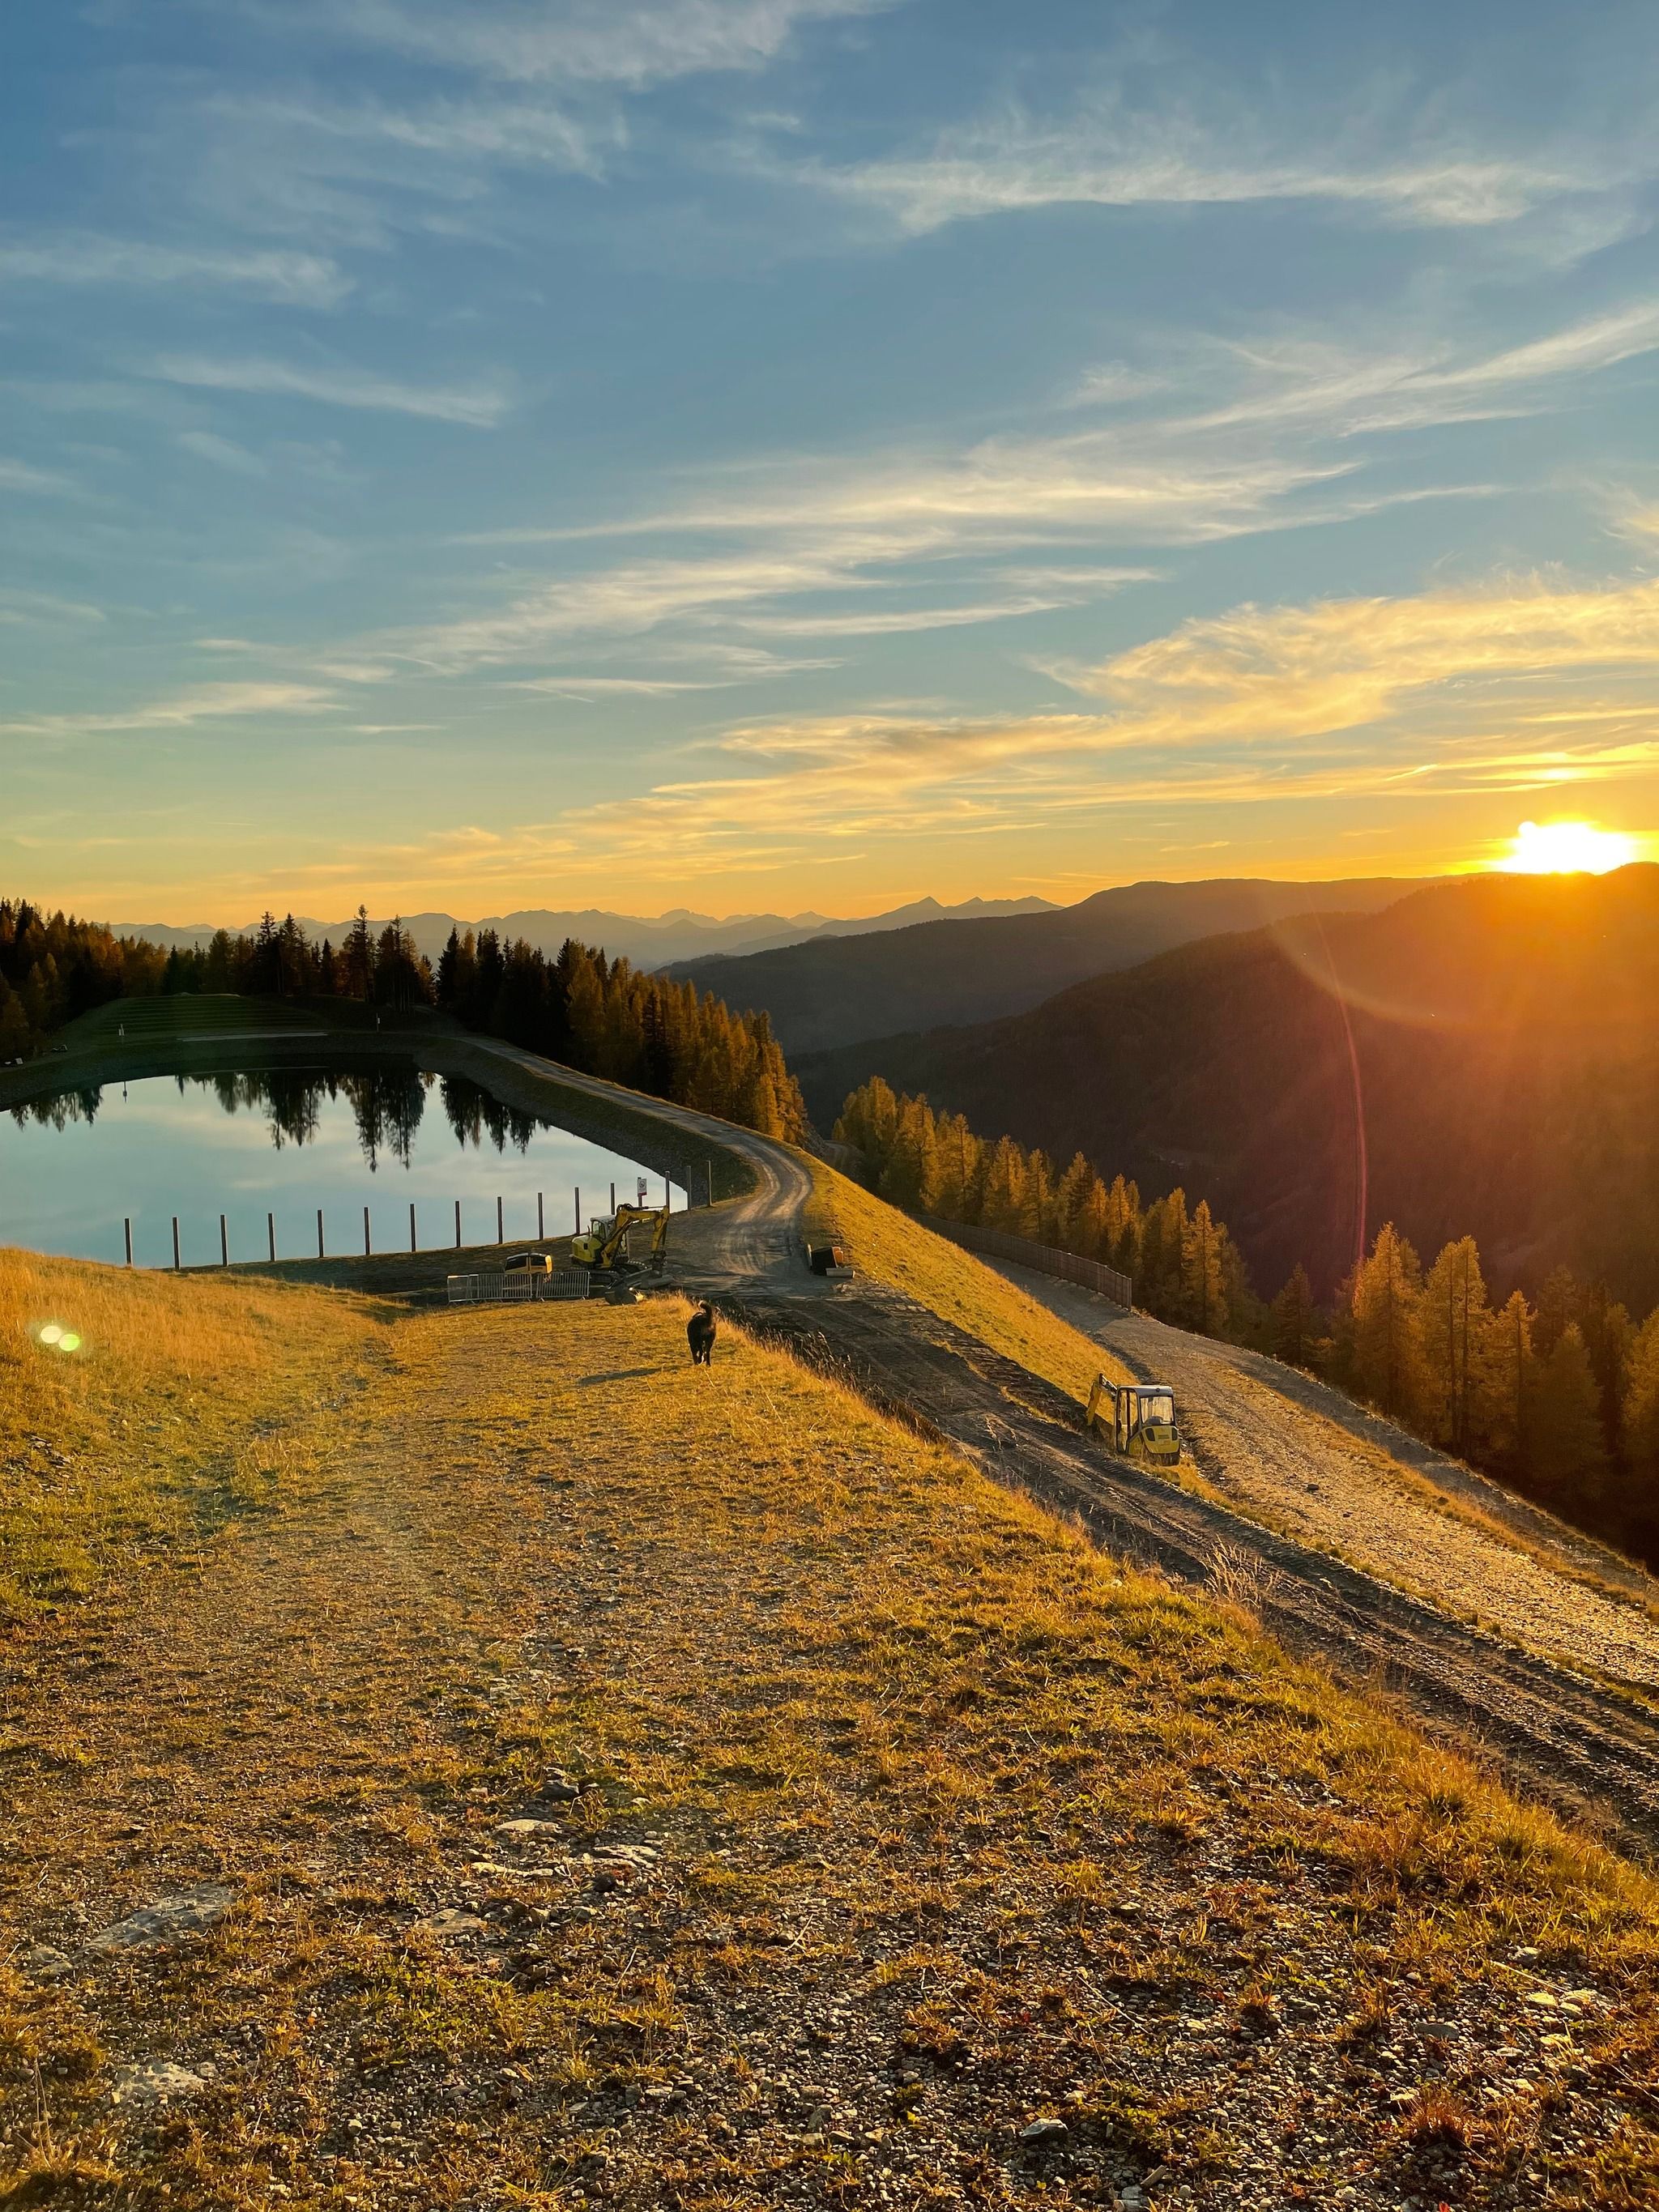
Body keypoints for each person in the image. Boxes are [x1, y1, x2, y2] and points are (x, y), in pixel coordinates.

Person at [687, 1300, 717, 1366]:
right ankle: (707, 1361)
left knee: (695, 1343)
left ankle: (699, 1357)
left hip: (698, 1329)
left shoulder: (693, 1322)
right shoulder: (710, 1322)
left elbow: (694, 1340)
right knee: (708, 1346)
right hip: (710, 1328)